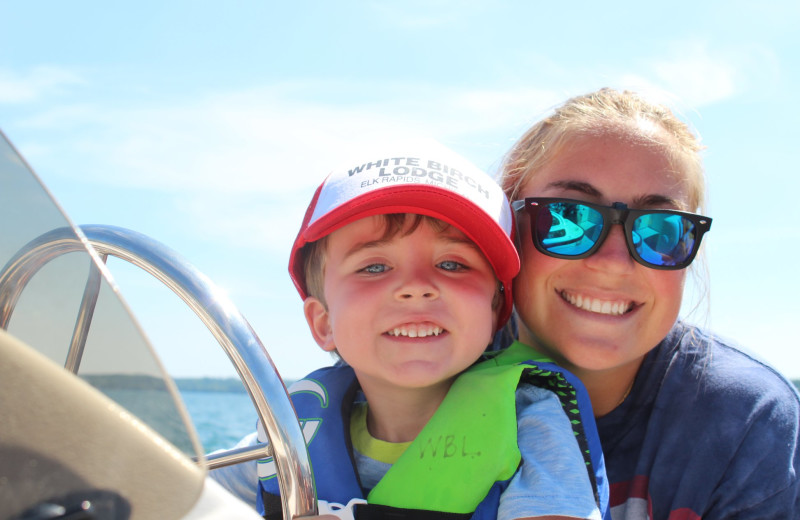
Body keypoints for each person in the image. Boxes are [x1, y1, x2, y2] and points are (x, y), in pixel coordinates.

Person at [212, 140, 608, 520]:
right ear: (323, 322)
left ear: (494, 312)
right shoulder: (293, 434)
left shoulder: (531, 423)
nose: (416, 286)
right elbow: (171, 495)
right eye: (374, 267)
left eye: (452, 264)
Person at [498, 87, 800, 519]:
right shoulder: (403, 373)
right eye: (567, 217)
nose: (614, 263)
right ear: (509, 222)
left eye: (660, 231)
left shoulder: (746, 420)